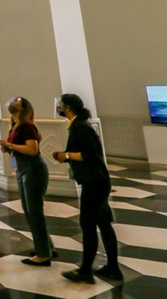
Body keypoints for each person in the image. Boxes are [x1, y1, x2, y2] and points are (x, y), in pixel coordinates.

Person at [53, 94, 123, 284]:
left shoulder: (80, 127)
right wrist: (66, 156)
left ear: (68, 107)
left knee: (88, 224)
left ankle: (85, 271)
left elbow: (89, 155)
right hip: (98, 180)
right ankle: (113, 268)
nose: (59, 107)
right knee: (103, 224)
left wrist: (66, 155)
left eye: (61, 105)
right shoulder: (79, 125)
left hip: (94, 182)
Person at [0, 97, 55, 266]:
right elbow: (17, 149)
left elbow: (32, 150)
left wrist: (10, 146)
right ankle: (46, 246)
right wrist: (7, 147)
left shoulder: (27, 125)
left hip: (33, 169)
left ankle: (43, 255)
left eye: (16, 101)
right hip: (23, 168)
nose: (11, 102)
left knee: (34, 211)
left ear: (23, 108)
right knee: (29, 210)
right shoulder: (15, 125)